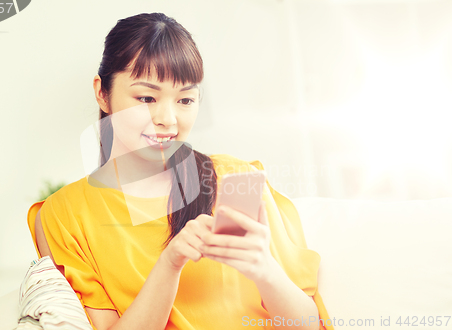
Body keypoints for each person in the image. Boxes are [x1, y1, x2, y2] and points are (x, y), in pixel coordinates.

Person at [27, 12, 334, 330]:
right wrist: (170, 264)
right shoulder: (64, 215)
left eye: (185, 100)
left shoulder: (236, 179)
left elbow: (310, 324)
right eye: (147, 97)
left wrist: (264, 268)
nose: (168, 119)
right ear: (102, 93)